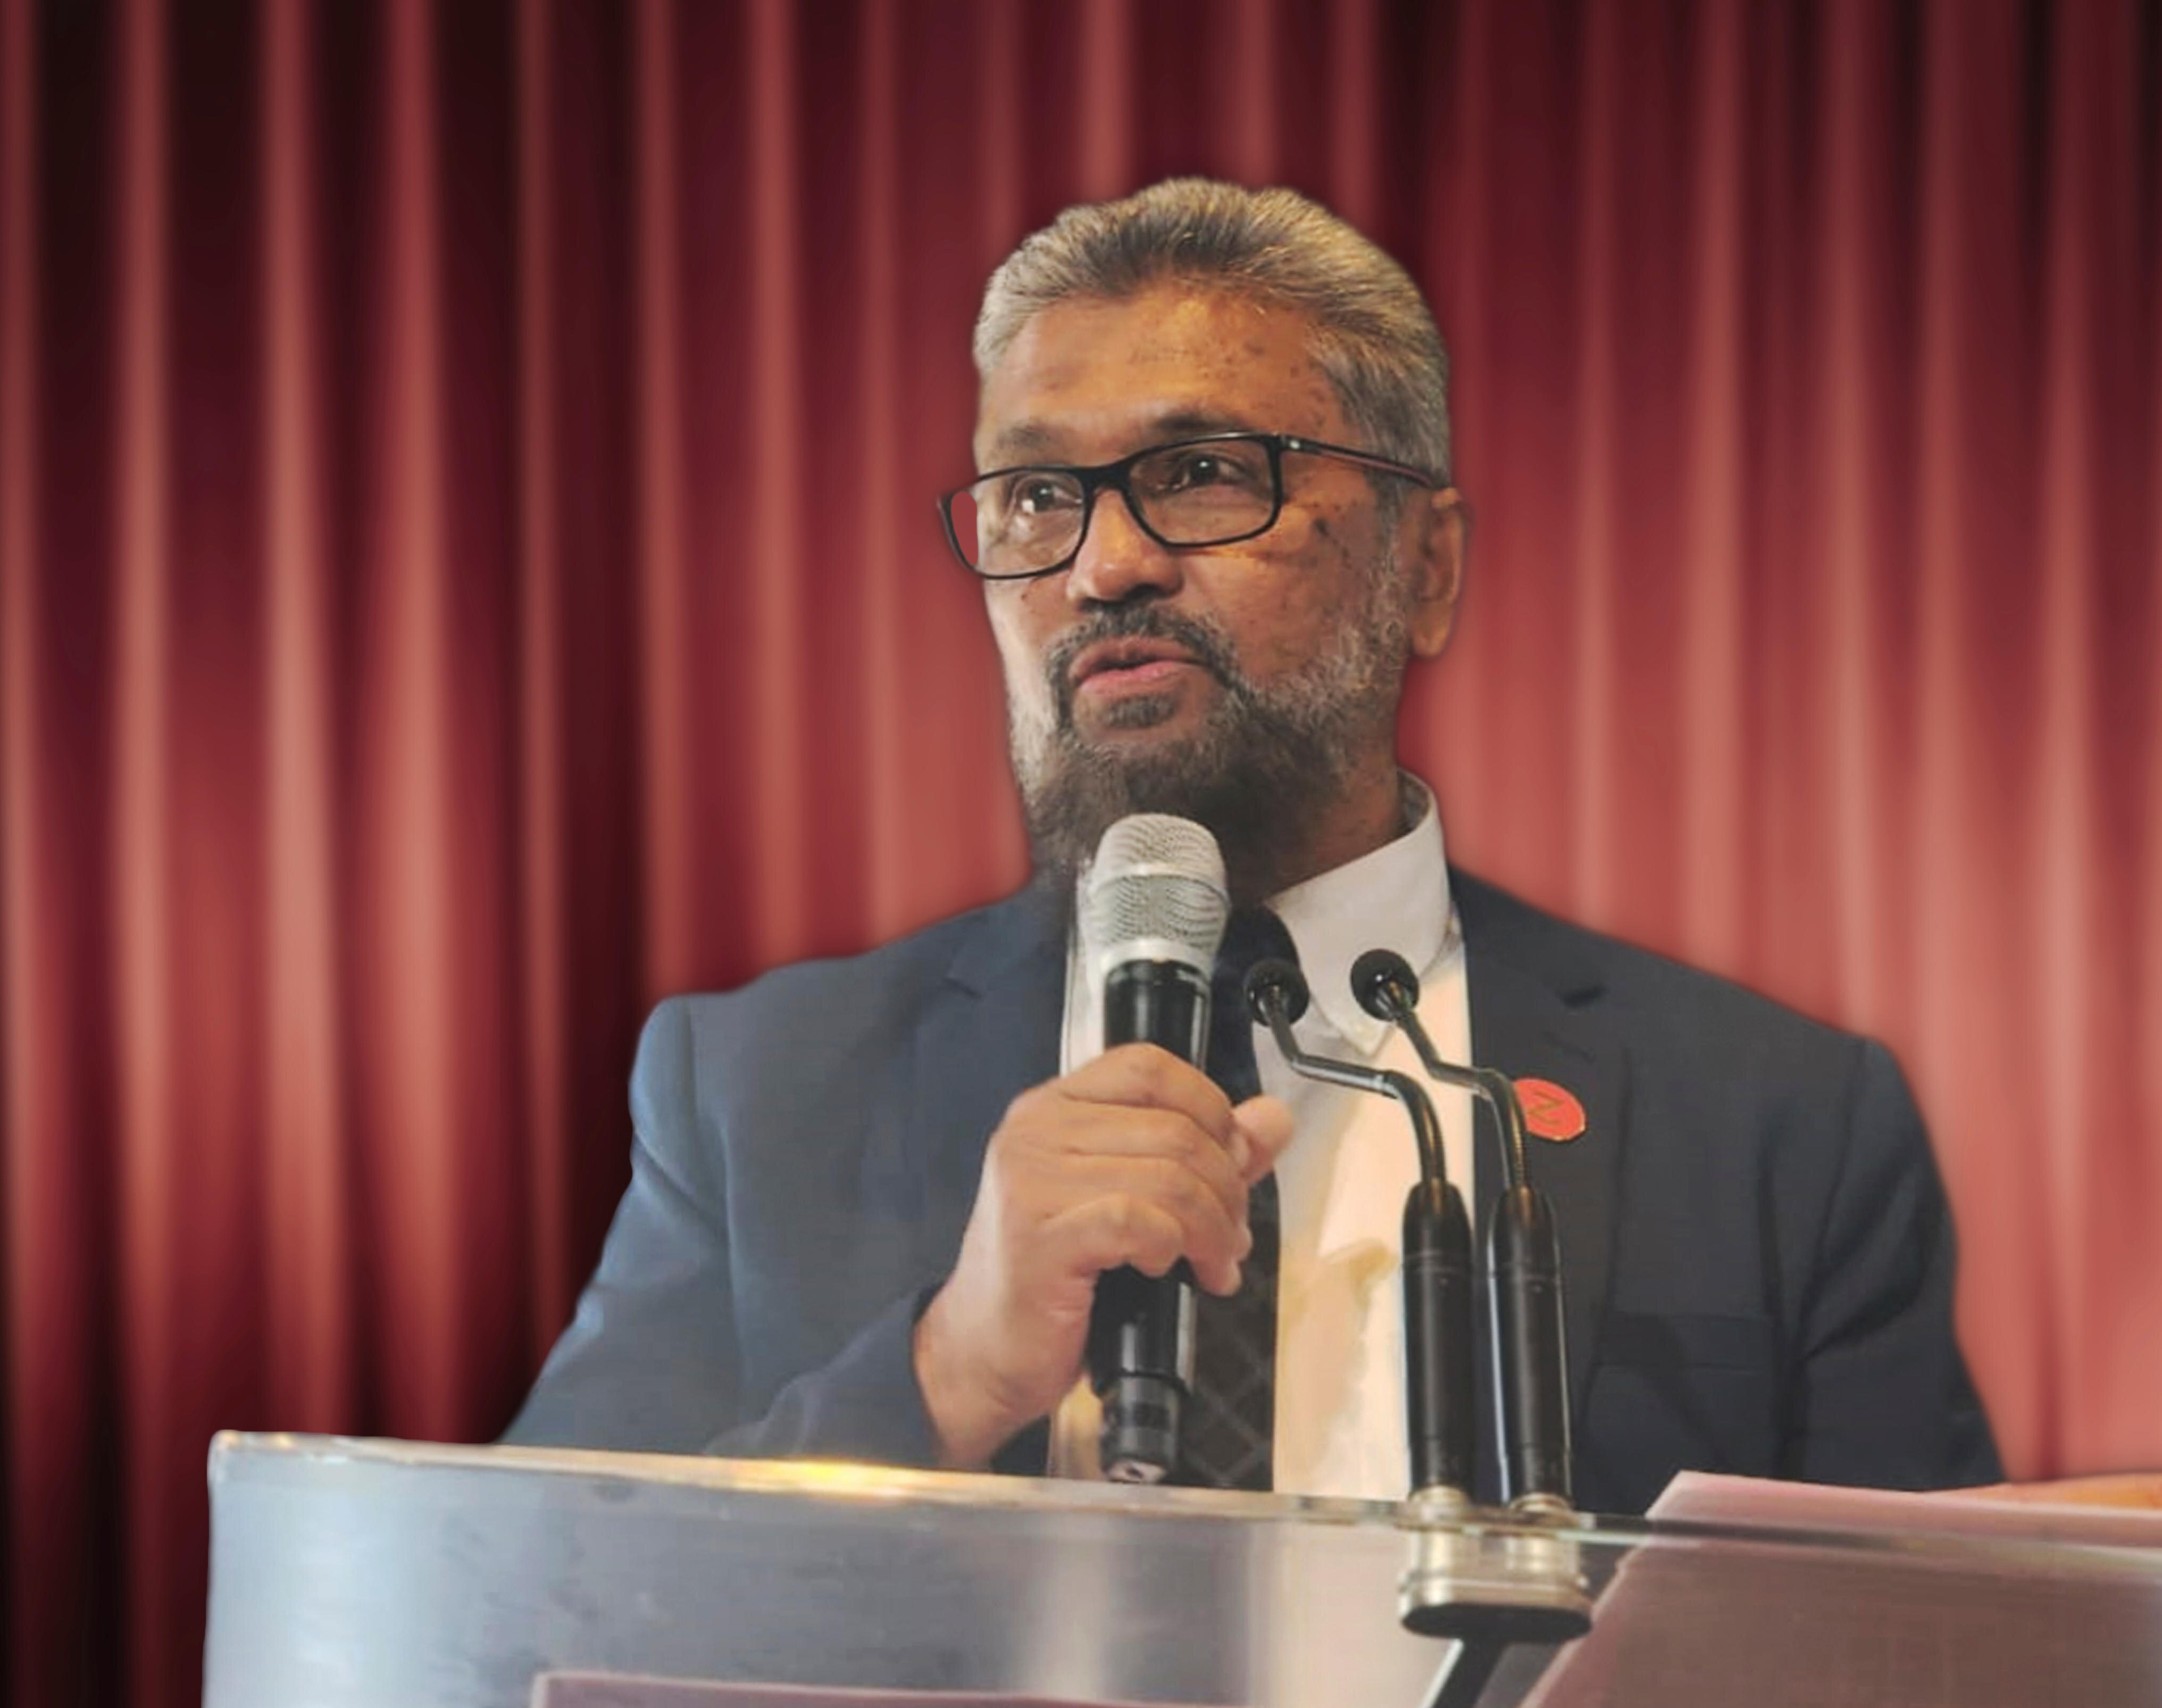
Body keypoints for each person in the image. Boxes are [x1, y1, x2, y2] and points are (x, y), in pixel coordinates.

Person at [504, 178, 2001, 1515]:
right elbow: (527, 1612)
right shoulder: (759, 1094)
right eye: (1037, 498)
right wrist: (947, 1372)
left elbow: (1923, 1674)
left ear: (1426, 566)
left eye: (1205, 473)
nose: (1106, 566)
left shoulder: (1778, 1126)